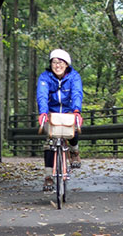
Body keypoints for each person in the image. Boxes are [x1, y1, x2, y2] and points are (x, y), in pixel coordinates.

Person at [36, 48, 84, 191]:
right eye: (54, 62)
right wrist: (43, 113)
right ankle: (48, 176)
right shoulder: (45, 77)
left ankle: (74, 151)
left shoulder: (74, 77)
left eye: (61, 62)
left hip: (69, 111)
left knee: (74, 128)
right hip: (51, 114)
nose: (57, 65)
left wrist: (77, 111)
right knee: (49, 142)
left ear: (67, 64)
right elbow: (42, 95)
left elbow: (77, 93)